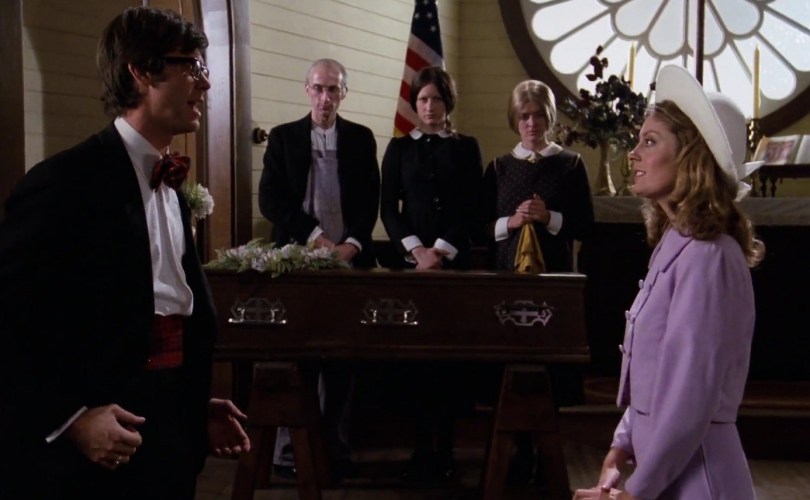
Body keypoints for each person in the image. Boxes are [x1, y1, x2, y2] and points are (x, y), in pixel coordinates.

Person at [0, 7, 249, 499]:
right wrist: (71, 419)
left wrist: (190, 404)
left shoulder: (172, 187)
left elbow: (168, 309)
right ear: (141, 71)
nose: (205, 83)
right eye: (191, 67)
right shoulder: (64, 182)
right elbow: (10, 322)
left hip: (169, 428)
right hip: (91, 450)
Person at [573, 64, 764, 500]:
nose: (633, 154)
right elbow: (653, 378)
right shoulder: (677, 245)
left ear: (691, 158)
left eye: (650, 141)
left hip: (698, 477)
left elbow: (689, 398)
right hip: (666, 470)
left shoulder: (709, 256)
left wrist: (637, 490)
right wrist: (622, 445)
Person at [258, 58, 380, 479]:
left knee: (342, 358)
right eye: (318, 88)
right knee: (299, 357)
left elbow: (369, 200)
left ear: (344, 93)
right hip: (297, 261)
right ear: (306, 89)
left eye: (333, 89)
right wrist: (316, 239)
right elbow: (270, 200)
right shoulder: (284, 137)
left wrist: (351, 245)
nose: (325, 97)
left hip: (347, 261)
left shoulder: (361, 139)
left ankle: (334, 449)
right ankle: (291, 452)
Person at [380, 66, 483, 481]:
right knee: (416, 361)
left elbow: (473, 207)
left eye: (436, 99)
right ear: (414, 103)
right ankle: (421, 449)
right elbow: (388, 209)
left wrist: (440, 249)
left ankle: (448, 450)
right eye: (423, 99)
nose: (429, 107)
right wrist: (417, 251)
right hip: (413, 267)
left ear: (447, 102)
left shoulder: (466, 147)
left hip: (453, 265)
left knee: (450, 360)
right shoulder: (399, 148)